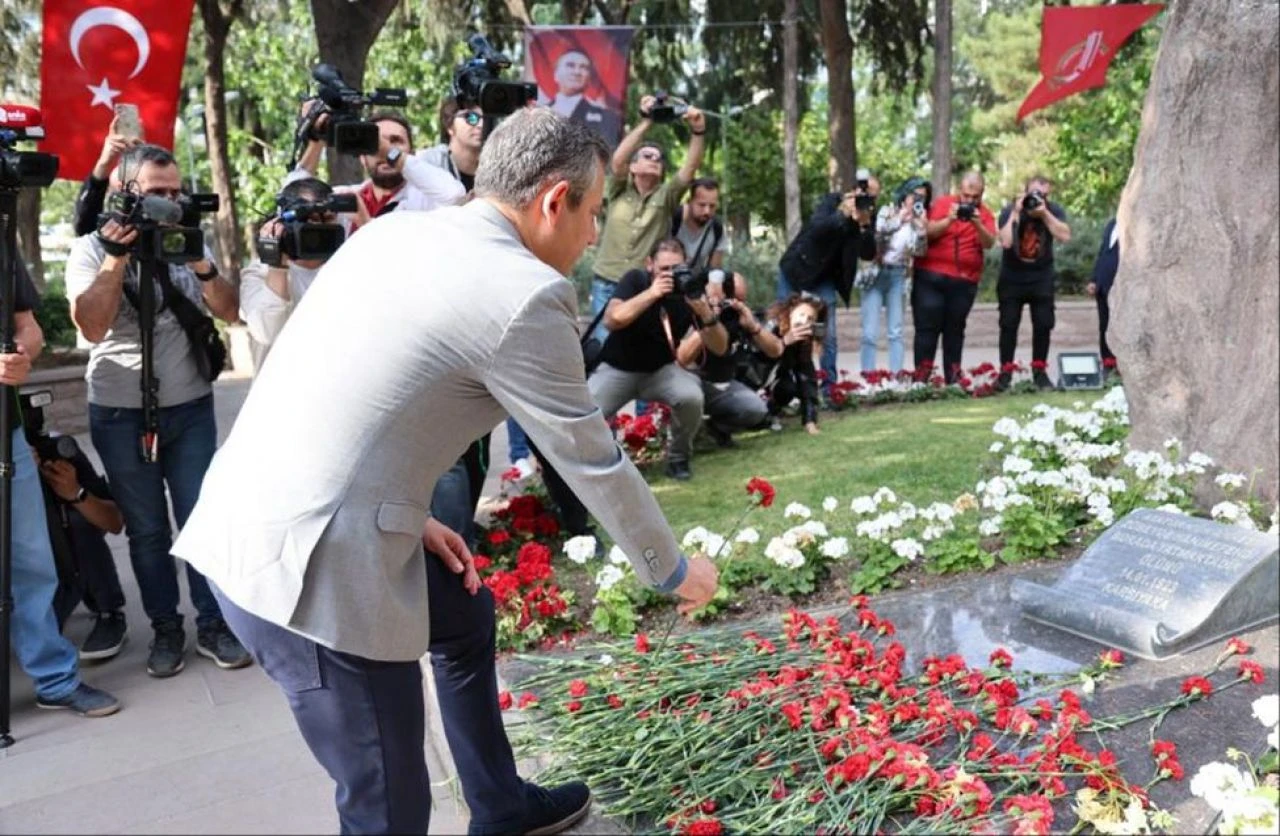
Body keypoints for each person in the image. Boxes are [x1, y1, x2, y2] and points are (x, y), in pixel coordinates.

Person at [170, 108, 718, 836]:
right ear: (554, 201)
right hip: (306, 571)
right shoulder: (524, 294)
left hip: (256, 512)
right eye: (589, 213)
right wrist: (675, 572)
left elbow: (335, 385)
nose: (593, 237)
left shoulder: (396, 232)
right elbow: (592, 459)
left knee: (461, 617)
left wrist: (407, 510)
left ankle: (499, 806)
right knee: (390, 808)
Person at [64, 144, 251, 678]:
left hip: (189, 405)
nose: (171, 203)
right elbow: (92, 327)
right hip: (121, 413)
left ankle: (212, 624)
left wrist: (202, 262)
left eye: (175, 192)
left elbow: (230, 311)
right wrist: (115, 258)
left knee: (201, 517)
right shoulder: (89, 249)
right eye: (156, 194)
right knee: (147, 531)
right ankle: (166, 628)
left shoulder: (188, 238)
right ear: (126, 193)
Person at [3, 262, 121, 716]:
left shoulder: (3, 230)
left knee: (32, 562)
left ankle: (55, 680)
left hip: (7, 434)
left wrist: (19, 353)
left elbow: (28, 329)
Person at [420, 97, 536, 485]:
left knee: (479, 435)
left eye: (484, 116)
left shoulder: (499, 168)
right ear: (448, 125)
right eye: (468, 116)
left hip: (488, 301)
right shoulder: (430, 165)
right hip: (439, 305)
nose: (478, 123)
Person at [587, 94, 707, 343]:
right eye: (647, 156)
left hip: (642, 284)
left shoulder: (667, 196)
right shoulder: (618, 189)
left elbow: (690, 169)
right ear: (633, 167)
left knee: (639, 343)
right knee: (602, 344)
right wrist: (646, 120)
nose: (654, 160)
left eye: (658, 159)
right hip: (606, 282)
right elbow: (618, 159)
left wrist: (698, 130)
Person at [23, 395, 128, 659]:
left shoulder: (54, 449)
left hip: (60, 561)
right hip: (20, 576)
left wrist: (75, 492)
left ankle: (108, 611)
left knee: (79, 519)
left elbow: (113, 522)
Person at [777, 177, 878, 393]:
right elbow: (817, 229)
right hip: (796, 271)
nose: (867, 200)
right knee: (785, 328)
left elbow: (868, 253)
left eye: (872, 196)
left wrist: (865, 224)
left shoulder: (868, 214)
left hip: (824, 279)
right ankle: (784, 385)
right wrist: (842, 213)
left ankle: (828, 387)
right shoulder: (831, 203)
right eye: (863, 194)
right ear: (852, 192)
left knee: (827, 335)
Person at [239, 177, 354, 366]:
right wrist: (277, 263)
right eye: (311, 219)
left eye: (328, 218)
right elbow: (266, 332)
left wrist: (365, 222)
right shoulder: (259, 272)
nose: (320, 228)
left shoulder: (347, 268)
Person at [292, 110, 464, 224]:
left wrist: (390, 154)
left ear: (410, 154)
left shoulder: (426, 199)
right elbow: (291, 195)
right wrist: (318, 137)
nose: (382, 150)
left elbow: (456, 196)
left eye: (396, 141)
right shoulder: (348, 196)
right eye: (373, 144)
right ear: (362, 157)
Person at [678, 271, 782, 447]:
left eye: (741, 299)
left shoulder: (737, 316)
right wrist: (708, 319)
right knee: (689, 395)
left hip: (722, 385)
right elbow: (683, 358)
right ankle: (684, 439)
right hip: (690, 381)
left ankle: (715, 429)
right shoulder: (691, 311)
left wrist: (753, 327)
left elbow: (776, 350)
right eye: (732, 298)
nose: (734, 303)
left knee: (755, 409)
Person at [912, 171, 997, 383]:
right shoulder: (943, 204)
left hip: (964, 281)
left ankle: (953, 380)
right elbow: (927, 232)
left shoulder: (985, 214)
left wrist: (977, 223)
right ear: (960, 190)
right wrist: (949, 219)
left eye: (974, 197)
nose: (969, 201)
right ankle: (921, 380)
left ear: (981, 194)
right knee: (926, 330)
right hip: (930, 277)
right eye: (966, 196)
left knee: (955, 331)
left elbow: (988, 243)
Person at [995, 174, 1072, 390]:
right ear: (1025, 192)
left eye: (1044, 195)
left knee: (1043, 324)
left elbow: (1065, 236)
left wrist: (1044, 213)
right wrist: (1017, 212)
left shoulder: (1052, 210)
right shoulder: (1010, 210)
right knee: (1008, 325)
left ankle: (1039, 373)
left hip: (1041, 277)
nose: (1038, 199)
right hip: (1012, 278)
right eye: (1034, 194)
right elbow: (1006, 242)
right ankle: (1005, 374)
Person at [857, 177, 930, 375]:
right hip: (876, 274)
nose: (918, 200)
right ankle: (868, 378)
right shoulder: (887, 212)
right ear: (905, 195)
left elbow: (920, 252)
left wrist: (922, 231)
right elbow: (877, 238)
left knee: (896, 332)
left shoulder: (919, 221)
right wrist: (899, 220)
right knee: (869, 333)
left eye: (923, 198)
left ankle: (896, 377)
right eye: (915, 195)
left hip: (898, 275)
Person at [72, 112, 144, 236]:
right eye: (123, 192)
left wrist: (145, 156)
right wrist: (104, 164)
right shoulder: (103, 239)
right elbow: (84, 226)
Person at [765, 293, 826, 436]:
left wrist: (810, 421)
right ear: (791, 312)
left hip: (776, 377)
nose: (804, 321)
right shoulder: (772, 326)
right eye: (801, 314)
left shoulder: (803, 341)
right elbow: (756, 359)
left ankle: (771, 413)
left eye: (810, 319)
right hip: (753, 377)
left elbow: (807, 379)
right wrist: (783, 343)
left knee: (787, 388)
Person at [542, 49, 623, 147]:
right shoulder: (537, 115)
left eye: (584, 67)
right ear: (555, 74)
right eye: (570, 65)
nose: (577, 72)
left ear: (589, 78)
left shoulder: (607, 118)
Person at [417, 96, 484, 192]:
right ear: (449, 126)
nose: (481, 125)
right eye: (471, 117)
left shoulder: (498, 164)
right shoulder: (428, 162)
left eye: (486, 118)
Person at [1087, 216, 1120, 379]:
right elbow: (1103, 252)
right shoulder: (1112, 224)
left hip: (1121, 285)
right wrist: (1094, 279)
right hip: (1103, 284)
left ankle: (1121, 364)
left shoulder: (1135, 221)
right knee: (1105, 326)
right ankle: (1108, 363)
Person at [672, 177, 727, 275]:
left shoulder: (717, 228)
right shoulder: (673, 220)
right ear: (690, 202)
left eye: (712, 206)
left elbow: (714, 270)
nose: (707, 211)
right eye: (702, 205)